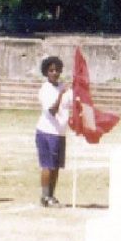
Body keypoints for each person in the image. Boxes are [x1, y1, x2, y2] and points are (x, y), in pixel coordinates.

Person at [35, 56, 70, 208]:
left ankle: (52, 194)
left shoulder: (63, 87)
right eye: (51, 70)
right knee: (47, 165)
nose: (54, 73)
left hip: (60, 132)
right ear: (46, 72)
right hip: (46, 131)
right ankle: (44, 196)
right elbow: (52, 111)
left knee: (56, 166)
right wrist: (61, 94)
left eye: (57, 70)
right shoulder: (45, 89)